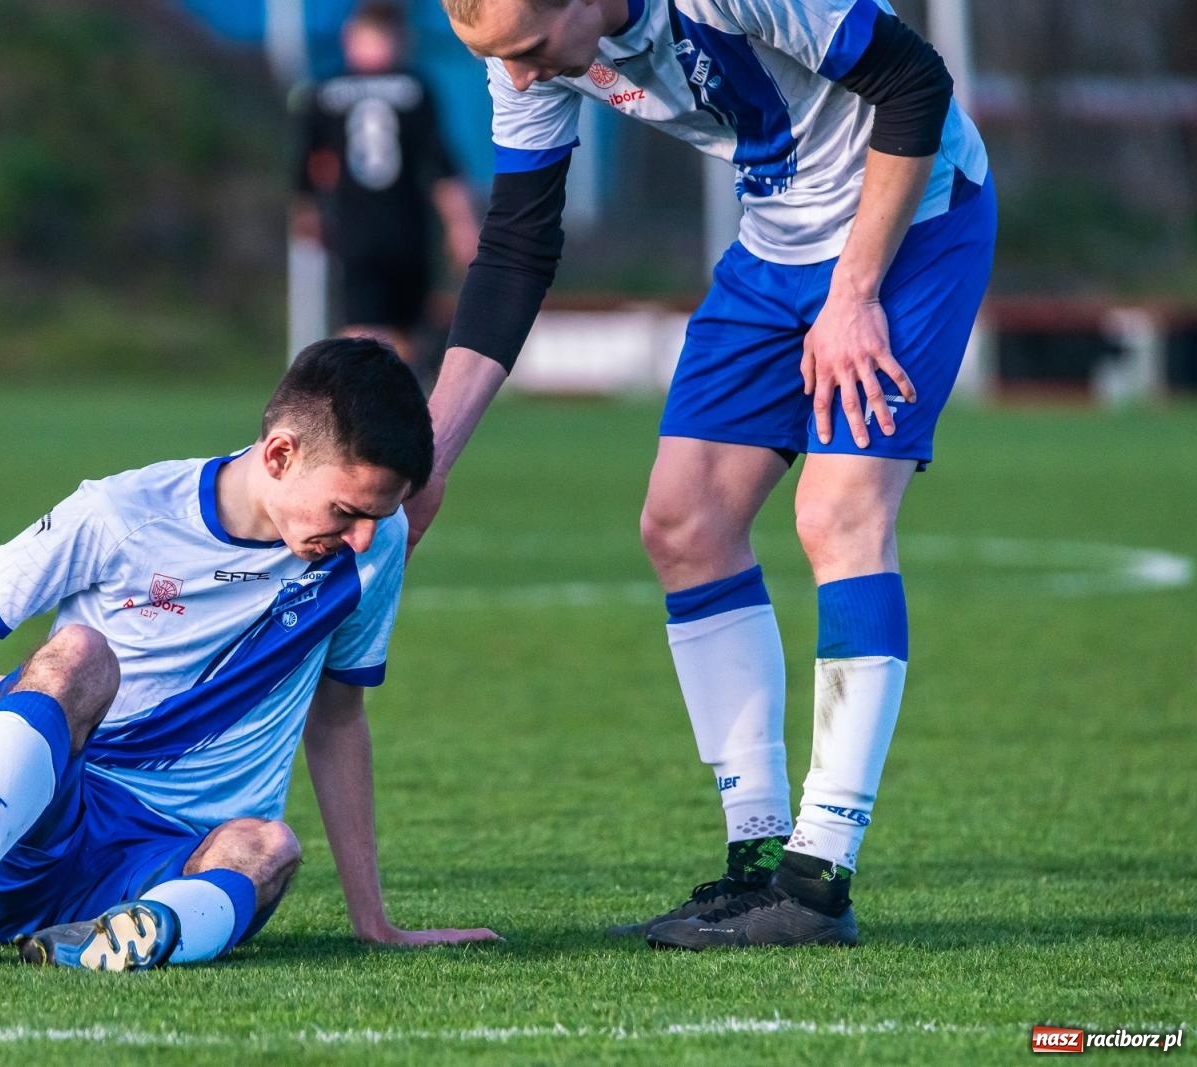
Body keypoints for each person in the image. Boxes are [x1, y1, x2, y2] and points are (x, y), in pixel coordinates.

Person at [420, 0, 996, 948]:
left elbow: (915, 82)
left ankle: (816, 882)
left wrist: (853, 297)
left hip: (912, 224)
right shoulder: (519, 47)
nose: (518, 77)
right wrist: (433, 457)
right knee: (683, 523)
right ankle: (759, 859)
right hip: (778, 244)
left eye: (528, 52)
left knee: (838, 511)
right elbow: (518, 244)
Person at [0, 338, 499, 969]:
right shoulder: (124, 512)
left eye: (379, 515)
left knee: (269, 846)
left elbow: (340, 715)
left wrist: (374, 922)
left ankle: (108, 941)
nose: (363, 537)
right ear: (281, 453)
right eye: (346, 512)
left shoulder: (370, 548)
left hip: (174, 860)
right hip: (35, 823)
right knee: (79, 653)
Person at [292, 1, 480, 378]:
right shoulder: (414, 87)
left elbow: (309, 167)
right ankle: (398, 410)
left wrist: (307, 213)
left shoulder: (324, 92)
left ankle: (361, 410)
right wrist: (462, 225)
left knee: (363, 330)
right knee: (405, 332)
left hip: (356, 228)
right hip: (407, 226)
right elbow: (441, 164)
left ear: (351, 39)